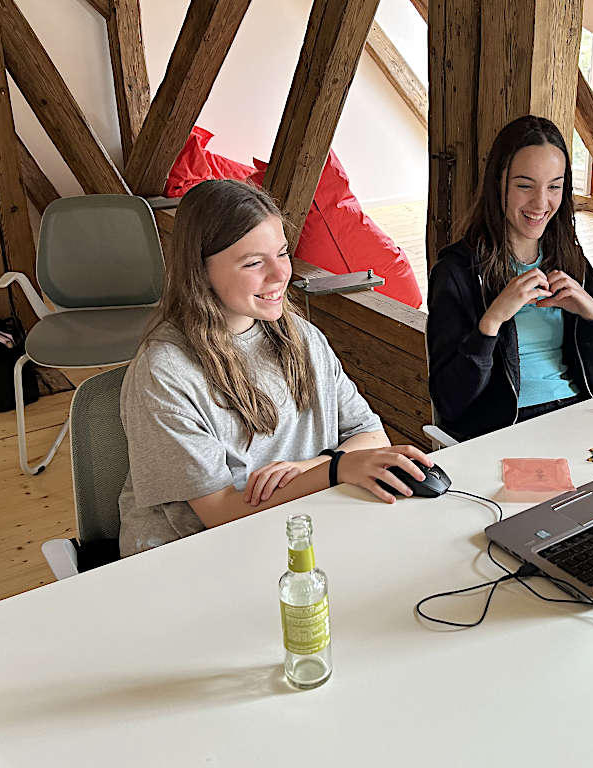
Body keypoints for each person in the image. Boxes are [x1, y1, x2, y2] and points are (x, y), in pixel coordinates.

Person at [118, 179, 431, 557]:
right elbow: (219, 513)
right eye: (253, 262)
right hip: (193, 554)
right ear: (200, 272)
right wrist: (335, 470)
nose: (281, 274)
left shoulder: (301, 335)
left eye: (282, 253)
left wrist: (314, 466)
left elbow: (371, 435)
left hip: (299, 527)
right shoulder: (164, 372)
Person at [426, 115, 593, 441]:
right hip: (504, 431)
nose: (541, 203)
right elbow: (450, 401)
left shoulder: (573, 263)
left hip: (577, 419)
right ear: (498, 183)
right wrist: (492, 321)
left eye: (554, 187)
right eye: (525, 185)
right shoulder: (456, 272)